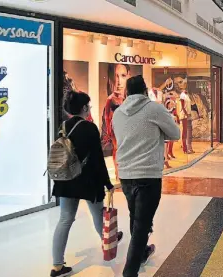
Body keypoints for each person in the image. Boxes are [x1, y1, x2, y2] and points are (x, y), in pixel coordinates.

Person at [112, 76, 180, 277]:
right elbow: (175, 133)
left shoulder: (118, 113)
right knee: (141, 225)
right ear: (145, 91)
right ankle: (129, 272)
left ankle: (141, 253)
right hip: (148, 175)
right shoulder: (154, 109)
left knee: (136, 217)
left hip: (125, 175)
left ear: (126, 92)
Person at [51, 92, 122, 277]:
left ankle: (57, 266)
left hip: (66, 180)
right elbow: (98, 160)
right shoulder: (90, 128)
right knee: (99, 214)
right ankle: (108, 245)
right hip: (89, 181)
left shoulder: (63, 127)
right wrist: (108, 183)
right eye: (88, 106)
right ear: (83, 108)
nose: (89, 109)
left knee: (65, 220)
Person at [102, 64, 132, 179]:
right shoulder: (110, 100)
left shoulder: (130, 99)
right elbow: (107, 121)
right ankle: (119, 175)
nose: (119, 81)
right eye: (116, 76)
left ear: (129, 76)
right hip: (118, 138)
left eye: (123, 76)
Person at [174, 76, 194, 154]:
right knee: (185, 132)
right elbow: (182, 106)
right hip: (185, 115)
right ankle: (185, 148)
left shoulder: (186, 95)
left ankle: (188, 148)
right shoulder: (182, 95)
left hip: (188, 115)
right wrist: (186, 114)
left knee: (188, 131)